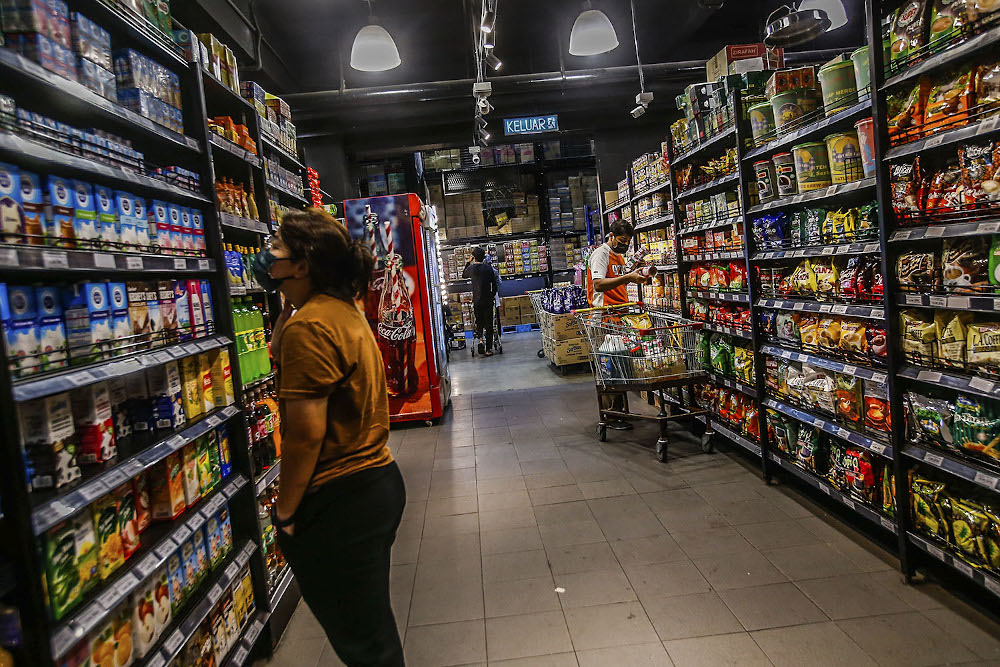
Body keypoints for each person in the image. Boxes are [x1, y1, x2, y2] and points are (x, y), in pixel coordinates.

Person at [254, 208, 405, 666]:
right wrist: (288, 305)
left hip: (339, 500)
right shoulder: (340, 309)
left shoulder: (310, 325)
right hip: (375, 484)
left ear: (303, 263)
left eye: (277, 247)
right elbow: (281, 348)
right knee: (371, 631)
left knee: (365, 647)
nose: (267, 255)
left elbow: (304, 437)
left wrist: (286, 512)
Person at [586, 220, 650, 429]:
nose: (624, 245)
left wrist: (635, 276)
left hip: (618, 317)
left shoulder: (619, 256)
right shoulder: (601, 254)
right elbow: (598, 284)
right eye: (622, 241)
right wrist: (627, 278)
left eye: (628, 242)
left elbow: (619, 280)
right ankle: (610, 415)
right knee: (608, 367)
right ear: (611, 236)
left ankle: (619, 411)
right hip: (603, 317)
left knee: (620, 365)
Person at [463, 246, 499, 356]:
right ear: (484, 257)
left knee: (479, 322)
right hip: (488, 300)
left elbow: (464, 275)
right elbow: (495, 283)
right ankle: (488, 349)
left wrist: (468, 262)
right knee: (489, 324)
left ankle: (480, 340)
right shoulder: (488, 268)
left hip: (477, 300)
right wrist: (492, 295)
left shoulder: (471, 268)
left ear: (474, 257)